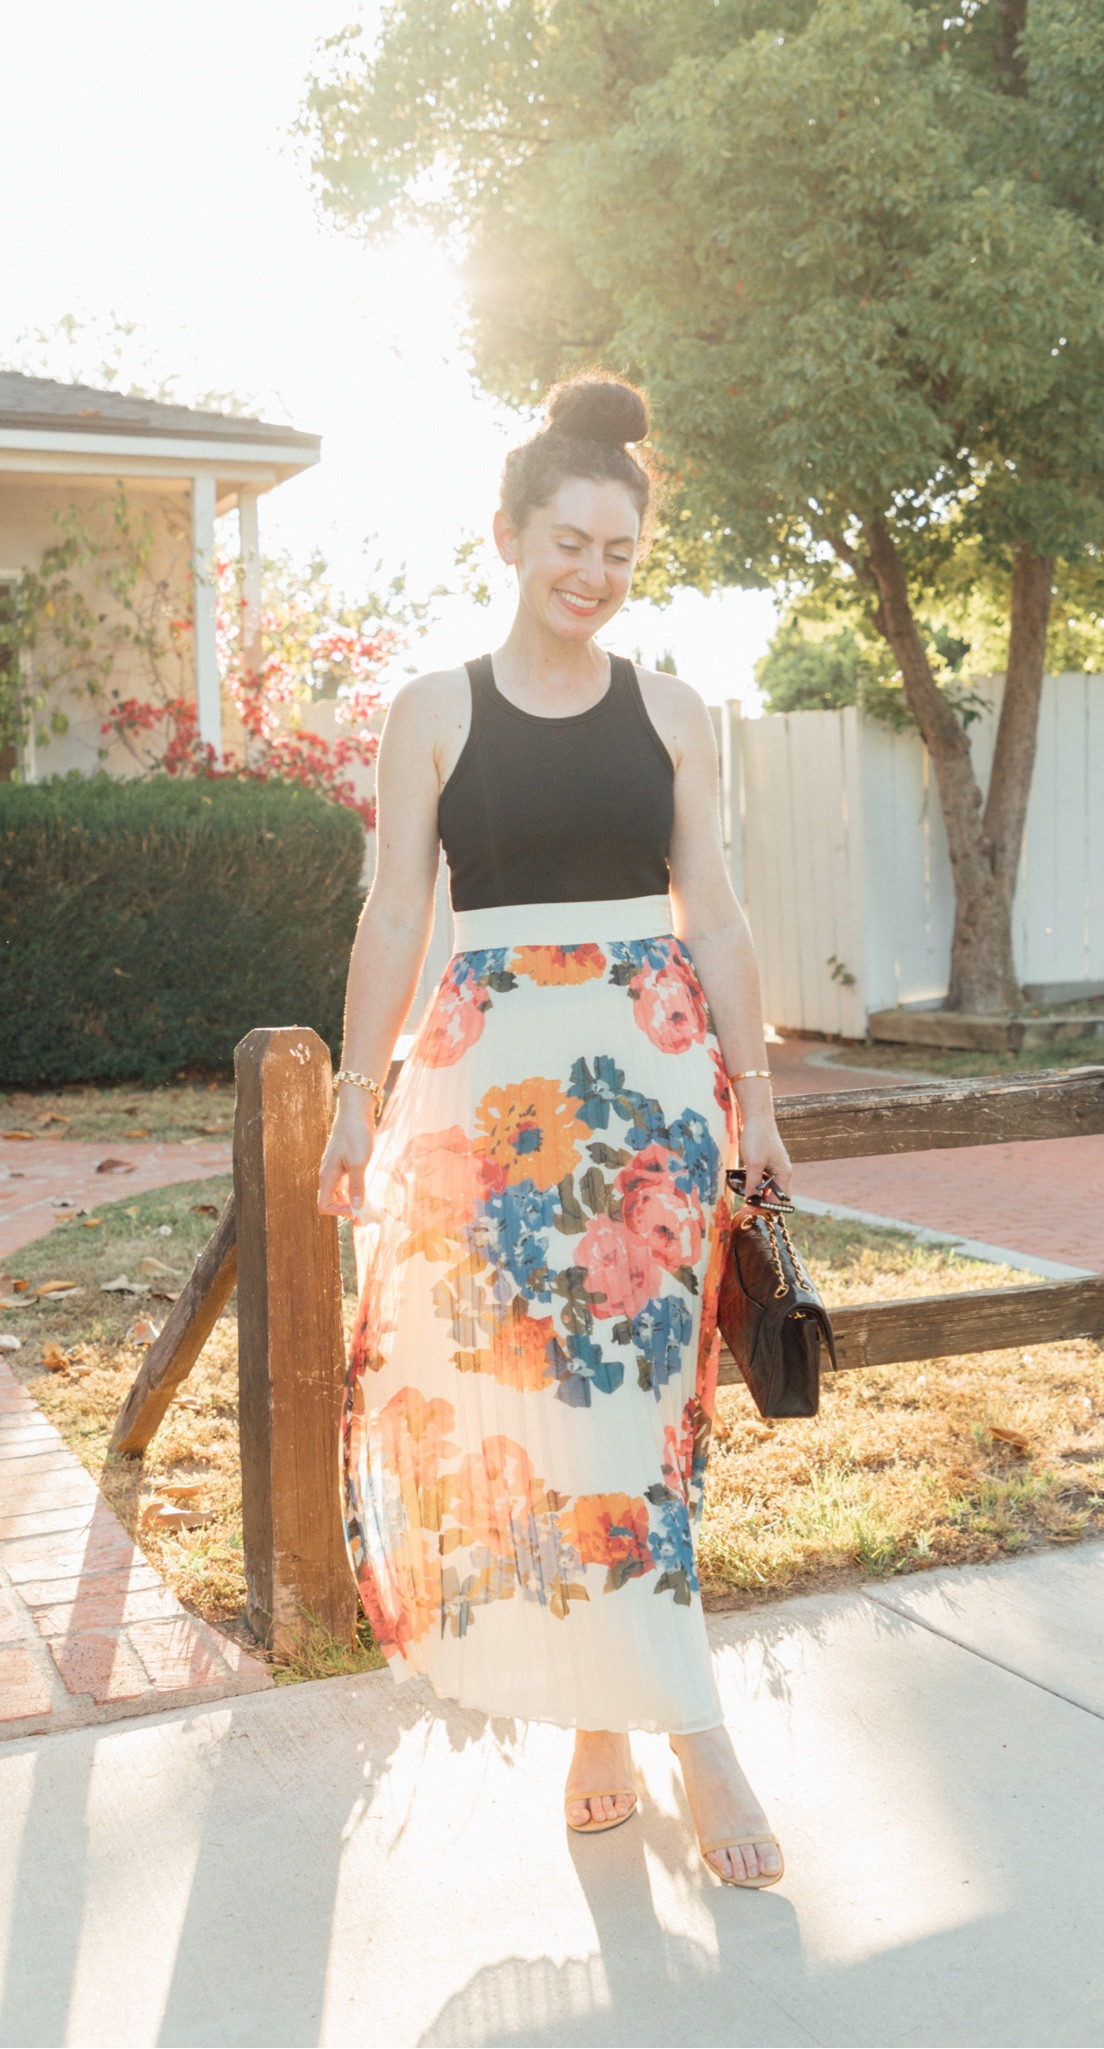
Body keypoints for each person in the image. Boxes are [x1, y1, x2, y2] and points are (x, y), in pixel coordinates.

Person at [317, 375, 790, 1889]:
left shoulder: (673, 711)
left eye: (620, 551)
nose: (593, 572)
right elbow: (396, 913)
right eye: (568, 541)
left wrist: (759, 1096)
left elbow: (710, 910)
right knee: (537, 1409)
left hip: (651, 1102)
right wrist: (353, 1092)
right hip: (485, 1112)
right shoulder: (432, 711)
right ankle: (606, 1721)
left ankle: (682, 1728)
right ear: (509, 535)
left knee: (644, 1422)